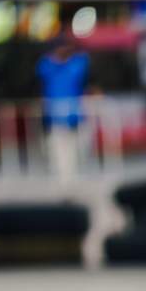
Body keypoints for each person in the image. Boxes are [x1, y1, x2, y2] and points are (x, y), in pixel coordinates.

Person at [37, 37, 90, 189]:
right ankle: (63, 184)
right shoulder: (46, 65)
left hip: (76, 117)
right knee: (58, 153)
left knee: (79, 151)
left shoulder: (78, 63)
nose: (63, 50)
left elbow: (85, 67)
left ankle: (73, 181)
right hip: (54, 118)